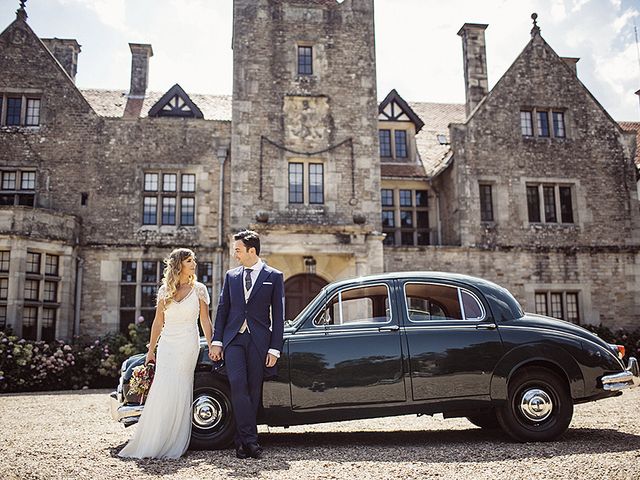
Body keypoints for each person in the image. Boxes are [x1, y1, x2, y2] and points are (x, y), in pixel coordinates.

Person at [118, 248, 214, 459]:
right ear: (179, 265)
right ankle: (154, 440)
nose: (194, 264)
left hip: (188, 344)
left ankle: (174, 441)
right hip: (167, 345)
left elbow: (205, 321)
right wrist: (151, 351)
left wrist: (212, 344)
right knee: (162, 388)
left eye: (193, 261)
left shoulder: (199, 290)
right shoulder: (164, 291)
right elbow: (158, 323)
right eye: (190, 261)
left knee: (180, 387)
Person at [210, 230, 285, 460]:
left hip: (259, 341)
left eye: (238, 250)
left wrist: (275, 348)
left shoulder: (274, 276)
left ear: (252, 251)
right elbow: (223, 310)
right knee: (238, 385)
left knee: (254, 389)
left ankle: (242, 442)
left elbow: (279, 314)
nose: (235, 255)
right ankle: (251, 441)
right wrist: (216, 341)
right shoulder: (231, 276)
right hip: (233, 340)